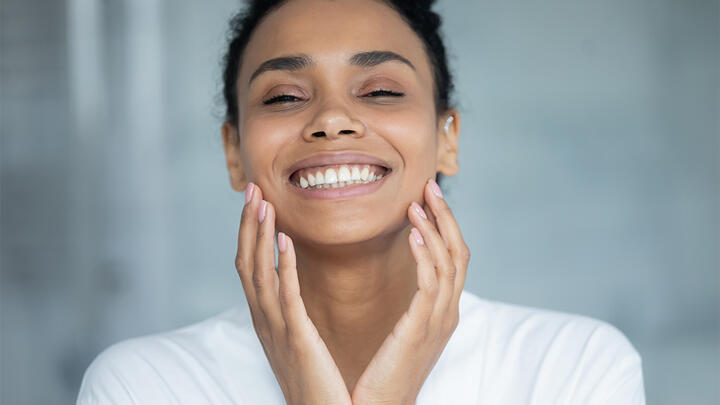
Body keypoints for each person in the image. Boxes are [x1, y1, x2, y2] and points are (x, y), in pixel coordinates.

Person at [76, 0, 646, 403]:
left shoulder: (572, 369)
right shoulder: (144, 386)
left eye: (379, 91)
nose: (331, 120)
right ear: (234, 150)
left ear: (447, 136)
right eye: (284, 97)